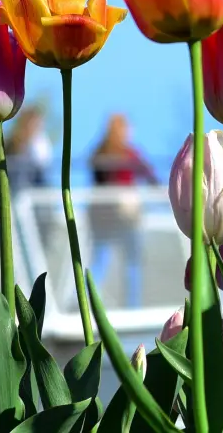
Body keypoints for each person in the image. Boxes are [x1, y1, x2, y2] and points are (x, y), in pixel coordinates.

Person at [88, 115, 158, 308]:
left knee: (104, 262)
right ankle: (131, 306)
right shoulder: (126, 154)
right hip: (121, 217)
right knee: (130, 262)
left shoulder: (100, 152)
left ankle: (90, 304)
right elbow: (149, 174)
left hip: (103, 217)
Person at [5, 107, 52, 189]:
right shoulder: (14, 140)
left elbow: (42, 160)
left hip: (35, 181)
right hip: (16, 181)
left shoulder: (40, 140)